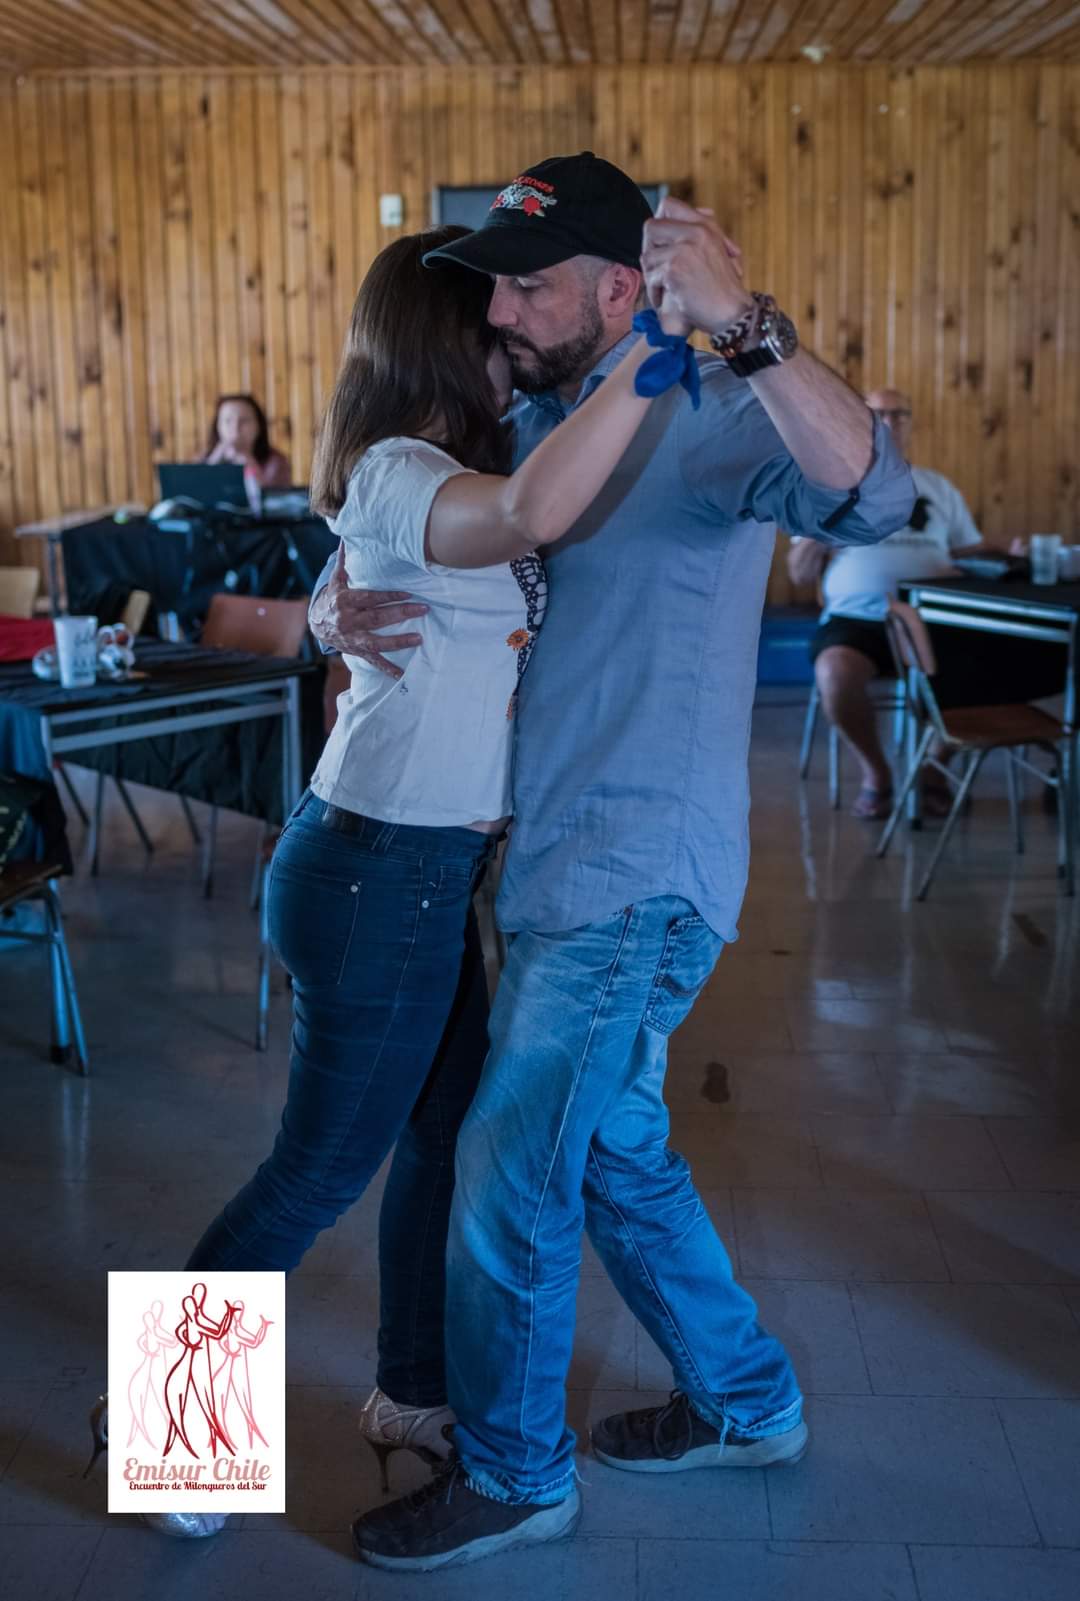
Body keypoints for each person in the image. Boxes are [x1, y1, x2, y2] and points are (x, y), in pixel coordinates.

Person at [309, 152, 914, 1572]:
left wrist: (750, 327)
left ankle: (515, 1474)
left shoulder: (712, 411)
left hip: (636, 874)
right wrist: (334, 609)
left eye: (530, 282)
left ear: (623, 286)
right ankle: (748, 1400)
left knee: (504, 1161)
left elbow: (874, 502)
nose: (502, 310)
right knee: (617, 1153)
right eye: (492, 285)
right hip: (534, 867)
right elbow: (416, 549)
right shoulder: (533, 427)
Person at [86, 216, 696, 1538]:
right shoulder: (399, 468)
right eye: (501, 319)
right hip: (374, 873)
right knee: (318, 1167)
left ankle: (410, 1391)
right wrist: (658, 341)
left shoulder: (433, 472)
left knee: (436, 1139)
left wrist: (322, 610)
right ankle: (168, 1436)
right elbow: (528, 515)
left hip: (417, 870)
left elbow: (474, 561)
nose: (522, 336)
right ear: (446, 338)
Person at [790, 388, 1062, 817]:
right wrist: (823, 528)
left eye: (899, 415)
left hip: (935, 615)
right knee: (834, 672)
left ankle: (935, 768)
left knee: (986, 659)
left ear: (911, 425)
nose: (889, 423)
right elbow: (801, 574)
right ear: (862, 421)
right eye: (878, 414)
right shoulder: (834, 484)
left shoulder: (936, 487)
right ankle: (877, 774)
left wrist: (1007, 550)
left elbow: (966, 550)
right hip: (858, 619)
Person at [202, 393, 292, 496]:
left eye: (244, 421)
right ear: (217, 426)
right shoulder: (203, 458)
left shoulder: (277, 462)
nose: (235, 428)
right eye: (227, 421)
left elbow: (273, 502)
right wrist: (212, 464)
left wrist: (248, 461)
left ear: (258, 426)